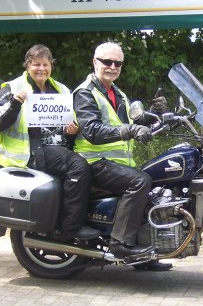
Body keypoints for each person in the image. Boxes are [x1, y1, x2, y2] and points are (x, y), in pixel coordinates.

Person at [73, 41, 173, 271]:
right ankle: (120, 244)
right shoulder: (85, 93)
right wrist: (131, 130)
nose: (112, 66)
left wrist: (155, 113)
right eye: (107, 62)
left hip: (116, 163)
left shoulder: (118, 93)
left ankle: (145, 254)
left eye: (117, 63)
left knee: (155, 180)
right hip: (94, 162)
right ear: (95, 62)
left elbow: (133, 121)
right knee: (140, 181)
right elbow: (92, 130)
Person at [0, 44, 100, 241]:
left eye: (45, 64)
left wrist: (72, 129)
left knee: (92, 165)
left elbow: (71, 121)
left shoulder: (61, 89)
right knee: (78, 167)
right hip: (30, 151)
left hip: (59, 148)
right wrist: (14, 104)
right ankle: (71, 226)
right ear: (27, 65)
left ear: (51, 66)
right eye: (36, 64)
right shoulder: (12, 88)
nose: (41, 69)